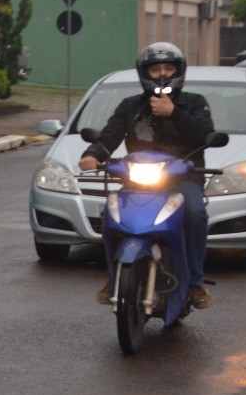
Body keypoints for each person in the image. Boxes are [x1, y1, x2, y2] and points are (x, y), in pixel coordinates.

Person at [78, 42, 215, 310]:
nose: (162, 74)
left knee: (196, 212)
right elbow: (110, 135)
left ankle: (196, 283)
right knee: (110, 213)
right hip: (138, 181)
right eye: (155, 69)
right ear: (144, 73)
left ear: (178, 72)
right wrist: (93, 155)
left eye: (168, 68)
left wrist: (174, 113)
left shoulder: (195, 103)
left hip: (183, 180)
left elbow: (204, 134)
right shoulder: (131, 106)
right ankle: (113, 277)